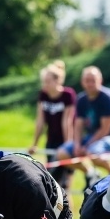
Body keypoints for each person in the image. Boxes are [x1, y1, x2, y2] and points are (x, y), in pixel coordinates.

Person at [56, 66, 110, 187]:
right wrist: (76, 144)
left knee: (93, 152)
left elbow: (105, 129)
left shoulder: (108, 98)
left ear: (100, 81)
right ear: (82, 82)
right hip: (91, 138)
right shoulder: (81, 99)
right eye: (87, 80)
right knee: (62, 154)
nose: (90, 84)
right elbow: (78, 125)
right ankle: (91, 173)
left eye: (93, 80)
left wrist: (86, 146)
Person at [28, 60, 76, 192]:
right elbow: (40, 121)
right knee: (52, 184)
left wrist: (67, 147)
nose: (45, 85)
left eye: (48, 81)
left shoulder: (68, 95)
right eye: (44, 81)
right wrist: (35, 144)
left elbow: (67, 121)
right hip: (51, 141)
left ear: (57, 81)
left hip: (67, 141)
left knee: (65, 187)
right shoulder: (43, 95)